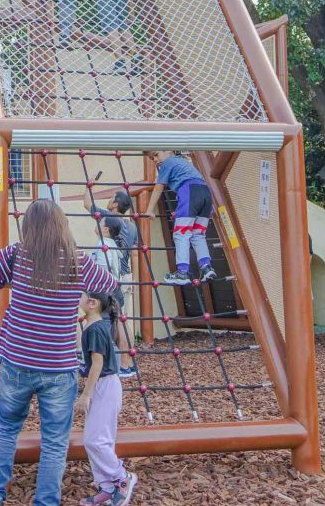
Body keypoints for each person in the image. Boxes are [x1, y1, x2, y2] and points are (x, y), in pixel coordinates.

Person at [0, 199, 117, 506]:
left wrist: (7, 279)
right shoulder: (78, 262)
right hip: (58, 365)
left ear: (28, 228)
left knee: (7, 427)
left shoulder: (17, 255)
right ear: (62, 226)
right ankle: (46, 501)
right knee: (55, 441)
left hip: (18, 360)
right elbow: (110, 285)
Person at [75, 291, 137, 506]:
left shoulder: (95, 328)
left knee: (94, 440)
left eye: (80, 296)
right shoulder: (97, 326)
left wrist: (86, 394)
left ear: (92, 303)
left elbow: (99, 364)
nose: (77, 298)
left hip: (105, 384)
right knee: (100, 439)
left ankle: (121, 477)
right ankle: (107, 487)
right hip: (105, 383)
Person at [85, 190, 139, 377]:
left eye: (110, 199)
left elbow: (87, 204)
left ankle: (114, 365)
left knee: (109, 321)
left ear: (115, 205)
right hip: (125, 274)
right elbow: (134, 253)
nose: (108, 201)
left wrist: (89, 186)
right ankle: (128, 362)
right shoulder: (131, 226)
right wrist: (135, 277)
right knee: (123, 320)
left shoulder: (108, 219)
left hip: (110, 278)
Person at [143, 151, 216, 285]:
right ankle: (206, 267)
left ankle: (182, 272)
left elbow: (159, 187)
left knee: (181, 233)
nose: (155, 159)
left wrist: (149, 210)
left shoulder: (167, 163)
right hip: (205, 193)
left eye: (156, 154)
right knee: (198, 234)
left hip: (189, 191)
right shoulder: (183, 162)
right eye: (151, 158)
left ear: (168, 151)